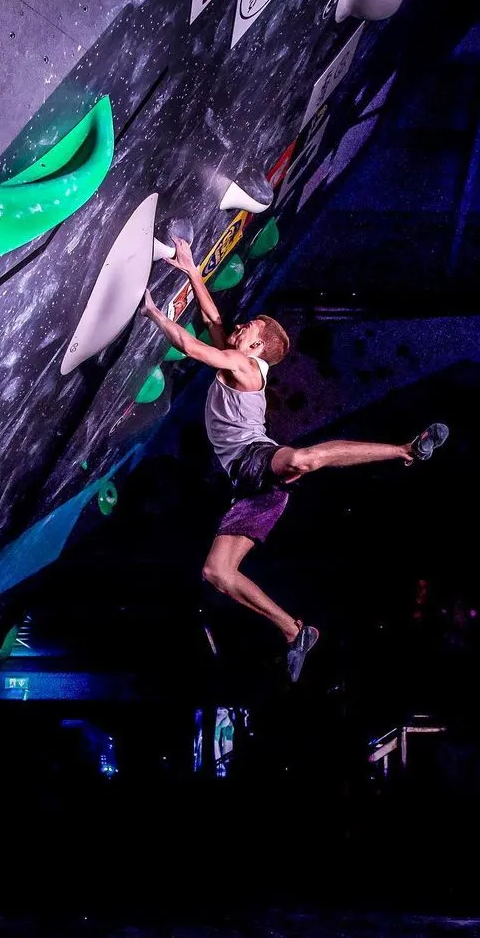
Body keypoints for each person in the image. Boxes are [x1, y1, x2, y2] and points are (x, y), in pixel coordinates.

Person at [142, 237, 448, 682]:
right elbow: (212, 319)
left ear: (256, 347)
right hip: (251, 489)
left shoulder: (245, 368)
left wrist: (153, 312)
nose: (240, 325)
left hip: (257, 459)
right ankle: (295, 631)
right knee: (217, 572)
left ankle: (405, 450)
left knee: (302, 460)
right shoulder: (239, 358)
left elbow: (191, 346)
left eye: (249, 327)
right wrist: (190, 269)